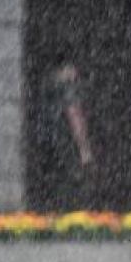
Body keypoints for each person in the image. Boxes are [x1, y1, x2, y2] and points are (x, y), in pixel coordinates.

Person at [39, 57, 94, 210]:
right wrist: (84, 149)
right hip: (67, 147)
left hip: (49, 145)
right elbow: (74, 116)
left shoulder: (47, 87)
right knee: (73, 194)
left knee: (52, 193)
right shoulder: (68, 88)